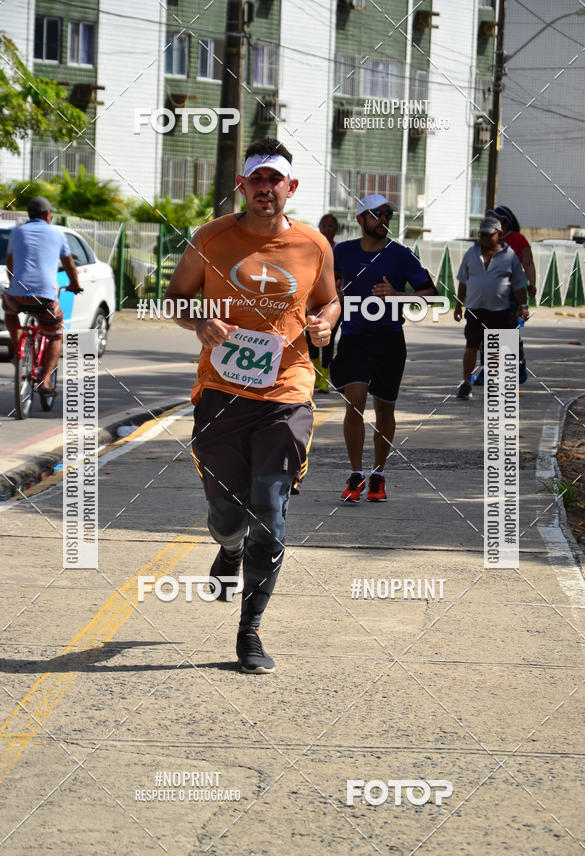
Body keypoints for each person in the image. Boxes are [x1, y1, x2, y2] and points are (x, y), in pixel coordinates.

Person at [166, 137, 339, 674]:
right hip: (220, 393)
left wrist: (325, 324)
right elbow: (174, 297)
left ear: (291, 187)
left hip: (287, 391)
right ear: (242, 185)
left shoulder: (314, 245)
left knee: (270, 510)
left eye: (275, 180)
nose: (266, 188)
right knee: (225, 511)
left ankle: (250, 631)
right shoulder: (212, 238)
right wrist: (200, 323)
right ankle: (230, 548)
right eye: (256, 179)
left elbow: (328, 299)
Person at [330, 193, 435, 503]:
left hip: (389, 340)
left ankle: (378, 473)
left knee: (384, 408)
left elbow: (429, 293)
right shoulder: (343, 251)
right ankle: (356, 473)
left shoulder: (400, 255)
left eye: (388, 214)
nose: (384, 220)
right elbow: (328, 283)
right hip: (354, 338)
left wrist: (397, 294)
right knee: (355, 398)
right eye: (377, 214)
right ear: (361, 218)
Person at [4, 196, 82, 397]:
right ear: (48, 215)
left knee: (9, 309)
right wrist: (75, 285)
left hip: (17, 295)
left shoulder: (17, 232)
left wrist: (15, 285)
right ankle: (45, 380)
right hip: (45, 297)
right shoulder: (57, 234)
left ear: (29, 215)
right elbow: (70, 266)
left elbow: (10, 264)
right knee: (56, 334)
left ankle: (18, 347)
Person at [454, 216, 528, 400]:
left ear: (499, 234)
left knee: (495, 348)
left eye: (489, 235)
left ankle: (493, 384)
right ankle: (466, 382)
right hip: (474, 308)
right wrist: (458, 305)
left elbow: (519, 283)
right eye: (482, 235)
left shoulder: (509, 255)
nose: (484, 239)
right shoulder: (471, 253)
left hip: (499, 310)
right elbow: (463, 281)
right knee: (471, 346)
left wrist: (523, 305)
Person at [486, 204, 536, 383]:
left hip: (514, 295)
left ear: (504, 222)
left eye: (495, 218)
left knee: (511, 332)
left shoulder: (518, 239)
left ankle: (518, 369)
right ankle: (489, 373)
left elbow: (528, 263)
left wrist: (532, 283)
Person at [308, 213, 340, 393]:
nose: (328, 228)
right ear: (319, 227)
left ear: (336, 229)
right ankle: (315, 374)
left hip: (333, 302)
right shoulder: (311, 247)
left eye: (331, 225)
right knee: (310, 337)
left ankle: (325, 378)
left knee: (328, 338)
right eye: (325, 225)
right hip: (311, 301)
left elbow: (343, 276)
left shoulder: (339, 250)